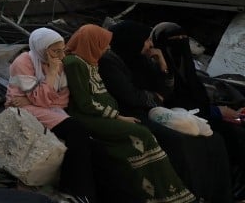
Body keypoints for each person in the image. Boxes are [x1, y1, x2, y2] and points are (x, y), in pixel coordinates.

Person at [100, 20, 231, 203]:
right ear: (132, 41)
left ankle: (216, 195)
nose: (150, 45)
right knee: (178, 141)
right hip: (131, 114)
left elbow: (165, 91)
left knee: (213, 138)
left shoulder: (142, 60)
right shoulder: (110, 62)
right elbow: (130, 96)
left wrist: (162, 64)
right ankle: (187, 195)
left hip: (155, 111)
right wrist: (156, 97)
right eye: (145, 40)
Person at [63, 24, 196, 203]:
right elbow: (89, 102)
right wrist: (118, 115)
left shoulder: (94, 61)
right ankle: (166, 194)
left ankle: (178, 192)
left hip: (121, 112)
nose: (107, 48)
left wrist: (163, 66)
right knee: (150, 135)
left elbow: (164, 92)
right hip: (105, 114)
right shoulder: (81, 63)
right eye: (103, 43)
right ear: (92, 43)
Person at [152, 21, 245, 199]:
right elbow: (172, 104)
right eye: (174, 40)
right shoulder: (158, 71)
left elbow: (197, 98)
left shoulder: (187, 69)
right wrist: (216, 112)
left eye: (183, 39)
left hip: (200, 116)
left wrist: (217, 111)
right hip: (180, 122)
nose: (180, 43)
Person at [5, 27, 98, 203]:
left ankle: (84, 190)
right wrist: (52, 74)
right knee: (76, 130)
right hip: (21, 108)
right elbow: (40, 98)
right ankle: (75, 189)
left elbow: (61, 99)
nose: (61, 56)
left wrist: (34, 99)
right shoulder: (23, 62)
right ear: (41, 49)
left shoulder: (59, 63)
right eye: (56, 51)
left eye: (62, 50)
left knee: (88, 141)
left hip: (42, 107)